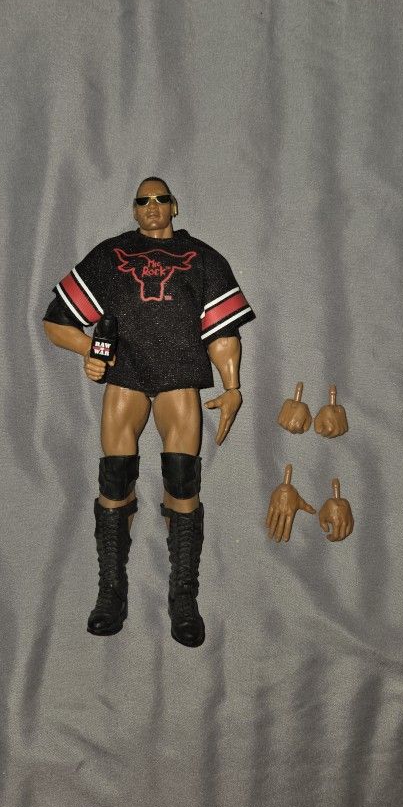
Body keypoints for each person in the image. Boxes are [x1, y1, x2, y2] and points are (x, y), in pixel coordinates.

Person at [43, 178, 255, 647]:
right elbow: (56, 321)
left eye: (161, 199)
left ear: (174, 205)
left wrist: (233, 385)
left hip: (180, 373)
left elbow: (223, 332)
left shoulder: (202, 259)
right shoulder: (109, 256)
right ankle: (110, 591)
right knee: (114, 480)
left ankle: (183, 596)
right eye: (143, 200)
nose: (153, 206)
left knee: (183, 480)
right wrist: (89, 350)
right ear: (134, 208)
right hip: (126, 374)